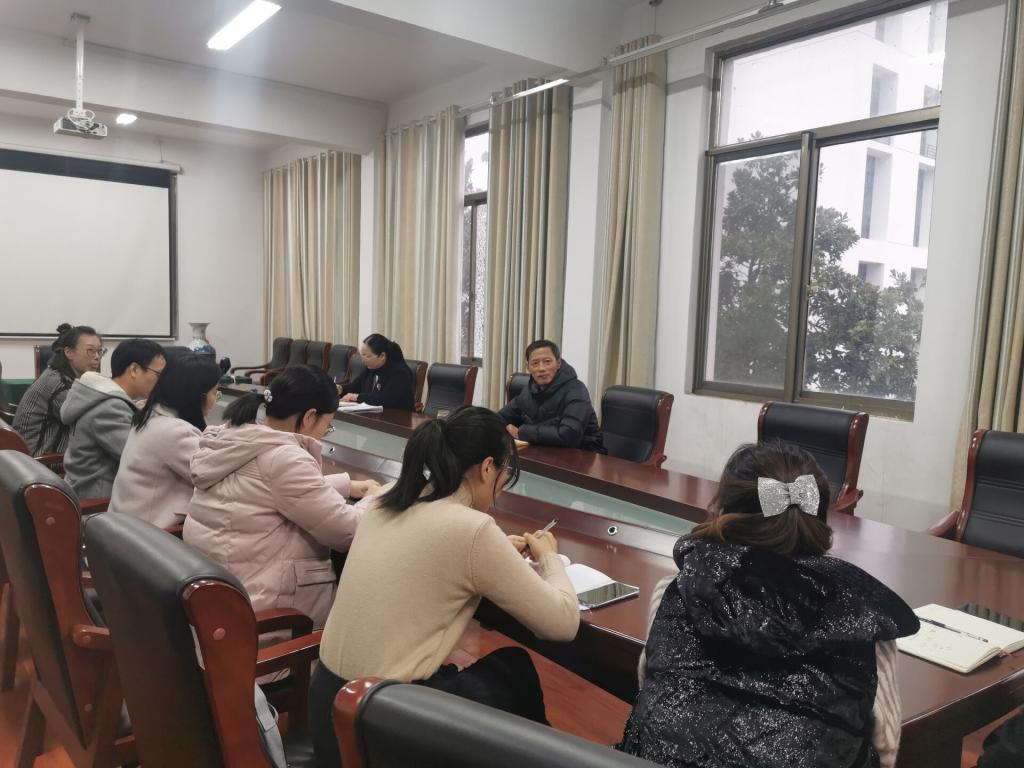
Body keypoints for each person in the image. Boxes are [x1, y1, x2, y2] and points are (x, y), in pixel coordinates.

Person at [618, 440, 919, 768]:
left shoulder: (678, 590)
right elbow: (886, 747)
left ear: (722, 510)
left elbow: (651, 692)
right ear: (819, 518)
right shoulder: (862, 617)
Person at [308, 406, 580, 767]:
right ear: (487, 468)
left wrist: (494, 551)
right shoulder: (472, 530)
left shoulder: (388, 497)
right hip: (383, 730)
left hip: (328, 714)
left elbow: (428, 549)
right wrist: (549, 558)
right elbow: (562, 623)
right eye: (505, 474)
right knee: (514, 671)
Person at [184, 364, 379, 632]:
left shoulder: (232, 438)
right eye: (328, 425)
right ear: (310, 416)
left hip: (217, 608)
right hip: (270, 619)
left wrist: (347, 485)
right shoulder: (285, 458)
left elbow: (276, 491)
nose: (325, 432)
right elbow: (349, 531)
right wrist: (376, 499)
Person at [108, 352, 222, 528]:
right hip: (148, 536)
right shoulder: (175, 432)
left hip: (125, 527)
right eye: (214, 392)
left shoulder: (150, 416)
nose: (215, 400)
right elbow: (216, 478)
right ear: (196, 396)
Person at [61, 338, 166, 499]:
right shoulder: (109, 408)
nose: (162, 382)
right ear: (134, 370)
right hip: (99, 502)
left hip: (93, 491)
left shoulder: (103, 397)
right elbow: (140, 458)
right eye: (159, 374)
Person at [498, 339, 605, 453]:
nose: (541, 368)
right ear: (528, 367)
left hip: (584, 454)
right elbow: (500, 418)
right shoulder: (529, 391)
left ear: (558, 363)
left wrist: (521, 432)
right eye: (535, 363)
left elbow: (568, 435)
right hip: (544, 451)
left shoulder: (577, 390)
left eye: (547, 362)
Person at [13, 323, 103, 456]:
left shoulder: (61, 376)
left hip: (33, 459)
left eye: (100, 351)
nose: (97, 357)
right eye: (91, 350)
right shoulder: (59, 384)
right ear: (68, 352)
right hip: (41, 461)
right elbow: (95, 422)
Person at [340, 332, 415, 411]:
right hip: (373, 415)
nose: (363, 360)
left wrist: (357, 397)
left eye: (367, 356)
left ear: (382, 356)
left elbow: (385, 399)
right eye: (362, 355)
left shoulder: (399, 373)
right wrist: (340, 389)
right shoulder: (371, 367)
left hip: (398, 416)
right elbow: (355, 386)